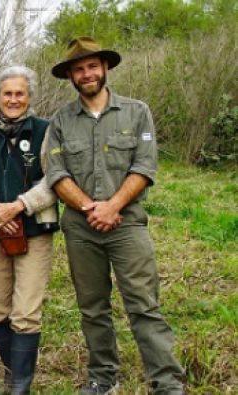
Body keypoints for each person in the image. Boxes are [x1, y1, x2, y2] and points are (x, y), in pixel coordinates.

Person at [43, 37, 185, 395]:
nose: (86, 73)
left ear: (105, 68)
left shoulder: (137, 112)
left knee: (143, 304)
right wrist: (92, 208)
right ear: (71, 77)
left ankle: (167, 382)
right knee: (92, 308)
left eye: (92, 66)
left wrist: (113, 206)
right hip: (81, 228)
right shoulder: (60, 121)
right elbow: (57, 174)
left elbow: (144, 166)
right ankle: (102, 378)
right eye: (79, 69)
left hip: (127, 225)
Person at [0, 66, 59, 394]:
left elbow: (55, 180)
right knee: (0, 309)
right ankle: (10, 371)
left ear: (30, 96)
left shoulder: (45, 131)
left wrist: (18, 205)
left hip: (33, 230)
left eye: (20, 93)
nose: (14, 99)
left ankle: (21, 385)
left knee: (26, 311)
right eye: (7, 93)